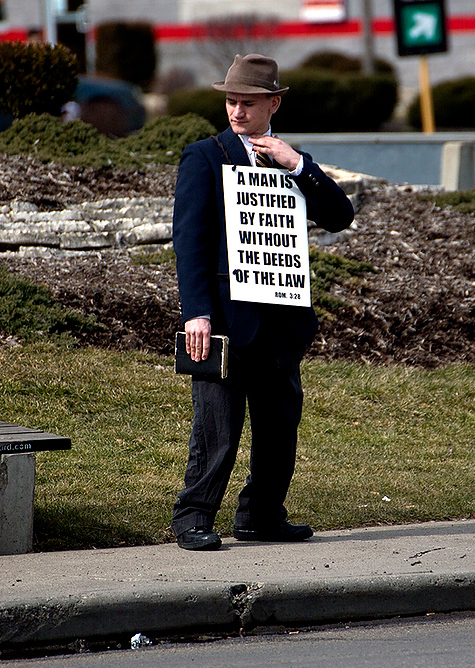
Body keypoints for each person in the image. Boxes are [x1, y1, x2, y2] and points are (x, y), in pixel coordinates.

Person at [170, 54, 355, 551]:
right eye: (231, 101)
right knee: (217, 429)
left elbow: (340, 216)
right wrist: (197, 313)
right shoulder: (205, 157)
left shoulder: (289, 163)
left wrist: (298, 165)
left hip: (280, 320)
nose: (236, 111)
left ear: (273, 104)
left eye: (247, 103)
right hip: (226, 321)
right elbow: (190, 243)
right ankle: (193, 516)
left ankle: (260, 515)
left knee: (279, 427)